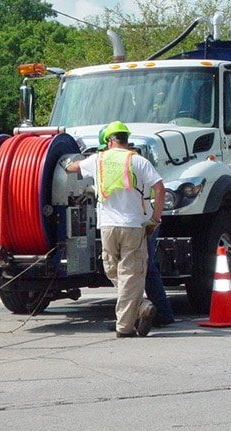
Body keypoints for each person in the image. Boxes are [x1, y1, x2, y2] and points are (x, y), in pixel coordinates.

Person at [64, 121, 166, 338]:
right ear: (126, 140)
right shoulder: (138, 161)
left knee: (113, 270)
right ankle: (141, 306)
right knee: (131, 273)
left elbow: (71, 167)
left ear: (108, 141)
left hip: (108, 227)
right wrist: (155, 218)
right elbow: (160, 188)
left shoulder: (97, 160)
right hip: (133, 226)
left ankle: (125, 325)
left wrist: (67, 160)